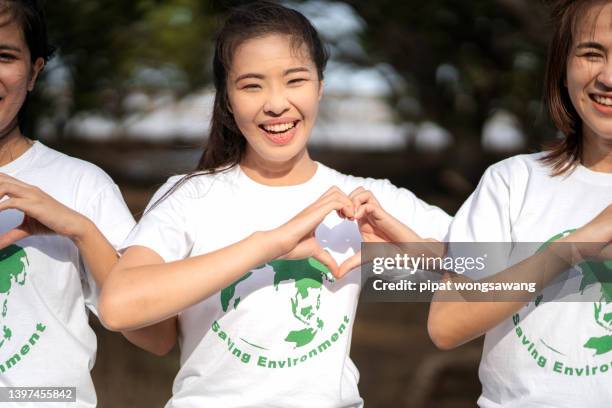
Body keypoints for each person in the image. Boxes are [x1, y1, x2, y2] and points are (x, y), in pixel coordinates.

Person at [98, 2, 451, 407]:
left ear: (320, 85)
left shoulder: (367, 199)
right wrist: (270, 244)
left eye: (295, 80)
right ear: (227, 100)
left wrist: (410, 249)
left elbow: (504, 279)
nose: (276, 104)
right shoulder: (190, 195)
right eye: (252, 85)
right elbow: (118, 306)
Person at [427, 1, 612, 406]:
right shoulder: (512, 182)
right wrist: (572, 248)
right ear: (562, 66)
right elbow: (448, 322)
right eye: (591, 53)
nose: (608, 77)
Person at [0, 1, 169, 406]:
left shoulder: (81, 185)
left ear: (34, 72)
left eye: (4, 56)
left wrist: (80, 229)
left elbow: (157, 337)